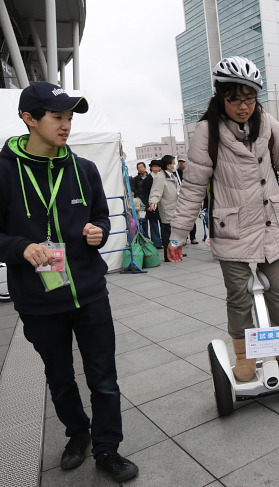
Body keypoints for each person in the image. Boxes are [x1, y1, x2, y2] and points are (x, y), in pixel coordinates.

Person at [0, 82, 138, 482]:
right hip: (39, 301)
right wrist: (21, 248)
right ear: (29, 119)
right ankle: (77, 433)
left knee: (103, 376)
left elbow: (100, 218)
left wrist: (98, 231)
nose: (66, 125)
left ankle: (108, 448)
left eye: (70, 116)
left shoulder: (85, 169)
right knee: (59, 377)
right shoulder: (4, 171)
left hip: (89, 293)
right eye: (57, 117)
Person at [167, 56, 279, 382]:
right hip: (232, 227)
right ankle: (243, 354)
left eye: (249, 98)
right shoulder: (206, 132)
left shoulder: (268, 124)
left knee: (278, 290)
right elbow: (194, 185)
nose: (243, 106)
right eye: (234, 99)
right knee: (239, 295)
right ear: (220, 97)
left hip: (271, 222)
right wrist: (177, 234)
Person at [149, 155, 180, 262]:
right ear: (168, 165)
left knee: (175, 232)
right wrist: (153, 202)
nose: (174, 165)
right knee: (168, 232)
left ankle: (175, 252)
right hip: (167, 208)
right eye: (173, 163)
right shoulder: (160, 177)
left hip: (175, 207)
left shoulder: (172, 175)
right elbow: (156, 192)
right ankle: (168, 255)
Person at [176, 155, 198, 244]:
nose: (181, 163)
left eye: (183, 161)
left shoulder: (191, 172)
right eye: (179, 161)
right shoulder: (175, 173)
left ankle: (193, 237)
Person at [145, 160, 163, 248]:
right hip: (151, 204)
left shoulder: (163, 177)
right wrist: (147, 205)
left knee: (164, 223)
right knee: (153, 224)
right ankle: (156, 242)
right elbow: (144, 194)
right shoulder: (147, 179)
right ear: (151, 168)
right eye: (154, 166)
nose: (156, 168)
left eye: (158, 166)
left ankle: (165, 240)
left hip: (162, 204)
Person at [131, 162, 150, 238]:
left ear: (145, 168)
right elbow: (134, 190)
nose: (140, 169)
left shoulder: (150, 177)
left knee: (152, 220)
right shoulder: (135, 179)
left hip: (149, 199)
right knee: (142, 220)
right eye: (138, 168)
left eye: (142, 167)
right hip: (140, 201)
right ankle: (145, 236)